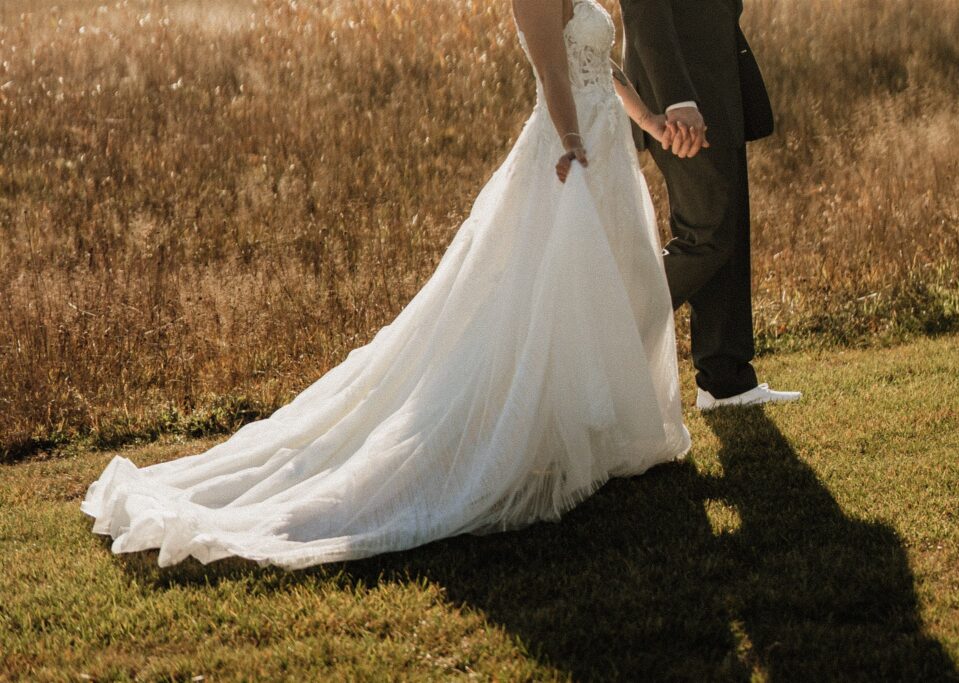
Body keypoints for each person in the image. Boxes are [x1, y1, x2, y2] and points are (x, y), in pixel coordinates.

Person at [81, 0, 692, 570]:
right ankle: (528, 440)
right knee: (540, 302)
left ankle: (591, 434)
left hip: (606, 147)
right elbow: (553, 74)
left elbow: (594, 62)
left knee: (611, 294)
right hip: (569, 153)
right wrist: (572, 142)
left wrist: (649, 122)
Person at [619, 0, 801, 409]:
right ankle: (608, 325)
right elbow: (644, 12)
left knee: (728, 231)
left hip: (718, 86)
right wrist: (677, 99)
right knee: (708, 233)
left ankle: (726, 380)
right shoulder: (678, 100)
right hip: (681, 98)